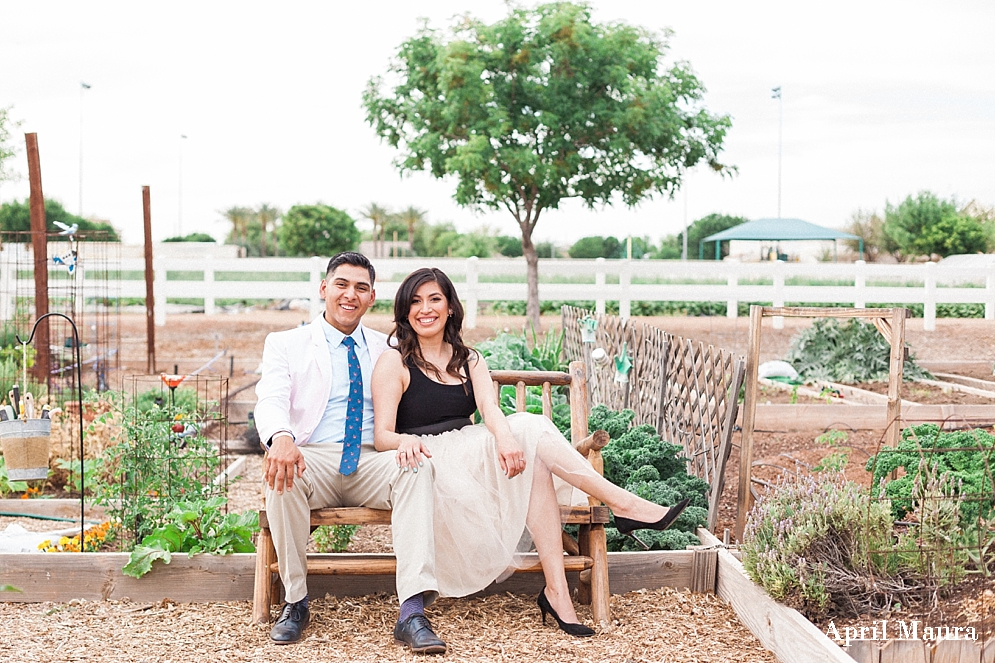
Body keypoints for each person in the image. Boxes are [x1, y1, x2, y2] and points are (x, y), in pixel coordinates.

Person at [371, 267, 689, 636]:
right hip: (429, 462)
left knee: (534, 458)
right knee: (531, 429)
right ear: (404, 311)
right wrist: (407, 442)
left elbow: (490, 410)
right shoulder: (395, 360)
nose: (425, 309)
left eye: (434, 299)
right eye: (415, 301)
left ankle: (558, 594)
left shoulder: (467, 358)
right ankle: (624, 506)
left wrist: (505, 439)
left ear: (451, 308)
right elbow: (382, 436)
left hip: (471, 452)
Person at [255, 252, 447, 654]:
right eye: (341, 284)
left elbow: (439, 370)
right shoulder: (286, 343)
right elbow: (270, 398)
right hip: (312, 455)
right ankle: (295, 601)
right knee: (282, 477)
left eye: (361, 288)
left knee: (415, 470)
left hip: (371, 457)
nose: (350, 294)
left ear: (372, 296)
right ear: (324, 289)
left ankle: (411, 612)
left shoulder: (388, 346)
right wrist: (280, 437)